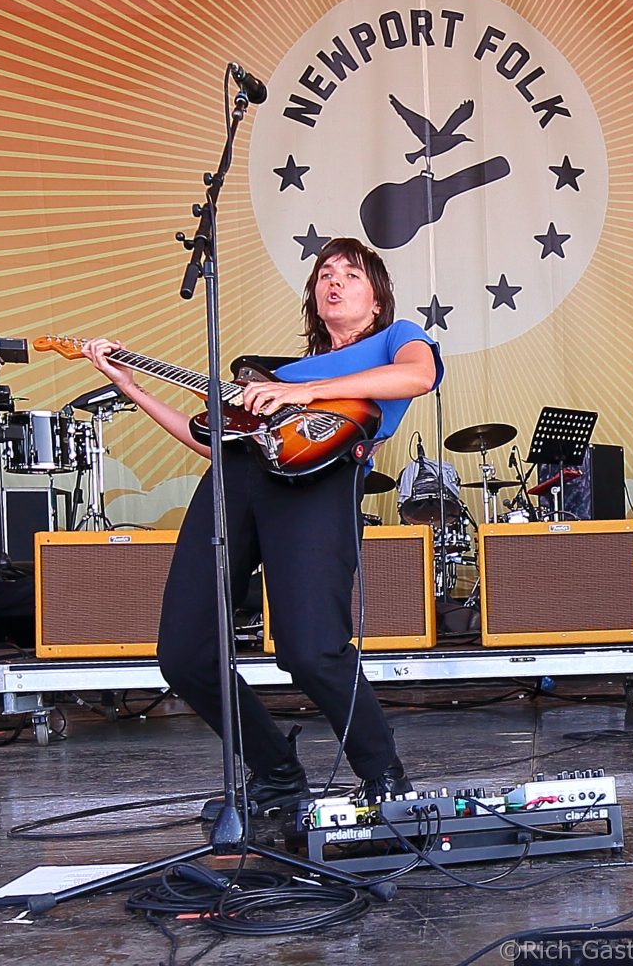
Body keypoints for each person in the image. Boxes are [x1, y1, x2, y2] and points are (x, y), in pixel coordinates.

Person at [82, 237, 443, 814]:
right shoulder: (270, 377)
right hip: (233, 481)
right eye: (325, 274)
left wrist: (300, 392)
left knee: (311, 650)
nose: (334, 281)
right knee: (183, 655)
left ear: (377, 300)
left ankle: (385, 778)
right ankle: (276, 772)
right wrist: (131, 385)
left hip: (318, 487)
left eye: (351, 274)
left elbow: (419, 378)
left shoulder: (394, 340)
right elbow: (209, 441)